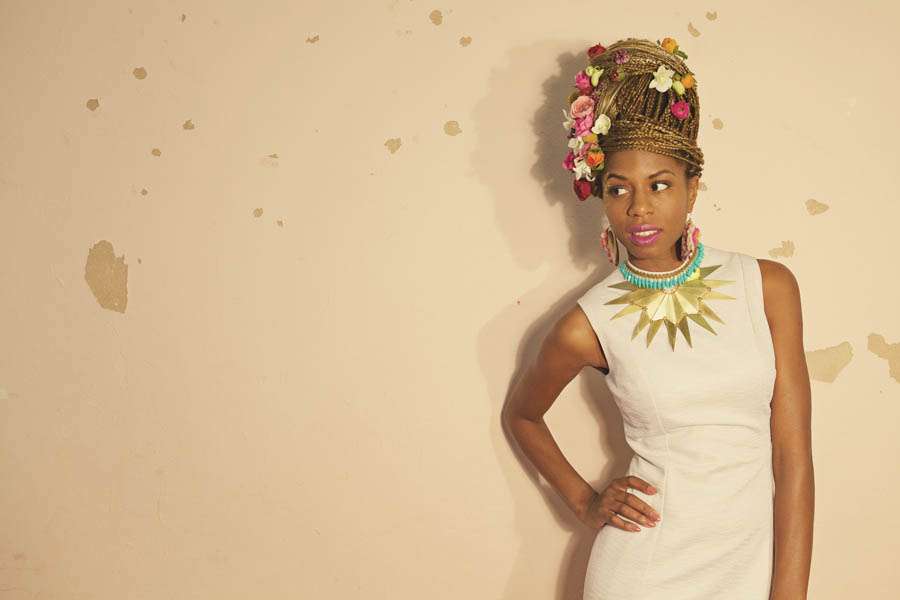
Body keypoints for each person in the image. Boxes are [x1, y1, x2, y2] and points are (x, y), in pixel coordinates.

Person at [502, 37, 814, 599]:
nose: (639, 208)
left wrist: (789, 593)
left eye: (660, 185)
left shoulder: (767, 287)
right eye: (618, 189)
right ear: (602, 198)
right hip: (643, 571)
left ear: (693, 190)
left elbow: (793, 458)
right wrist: (585, 501)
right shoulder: (588, 323)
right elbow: (522, 415)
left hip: (747, 568)